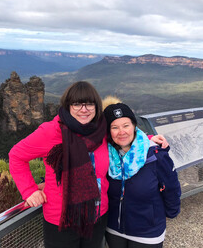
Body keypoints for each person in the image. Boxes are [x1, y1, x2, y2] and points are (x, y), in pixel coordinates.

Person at [9, 81, 169, 248]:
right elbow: (16, 156)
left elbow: (122, 137)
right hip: (61, 220)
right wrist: (29, 190)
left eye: (89, 104)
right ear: (68, 105)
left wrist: (148, 140)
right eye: (77, 104)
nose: (83, 109)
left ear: (96, 106)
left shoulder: (100, 129)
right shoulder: (50, 132)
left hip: (97, 216)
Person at [103, 102, 181, 248]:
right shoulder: (105, 156)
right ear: (108, 131)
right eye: (115, 127)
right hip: (114, 229)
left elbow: (171, 186)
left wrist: (172, 212)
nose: (121, 132)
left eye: (126, 125)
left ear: (134, 126)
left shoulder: (154, 154)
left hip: (148, 232)